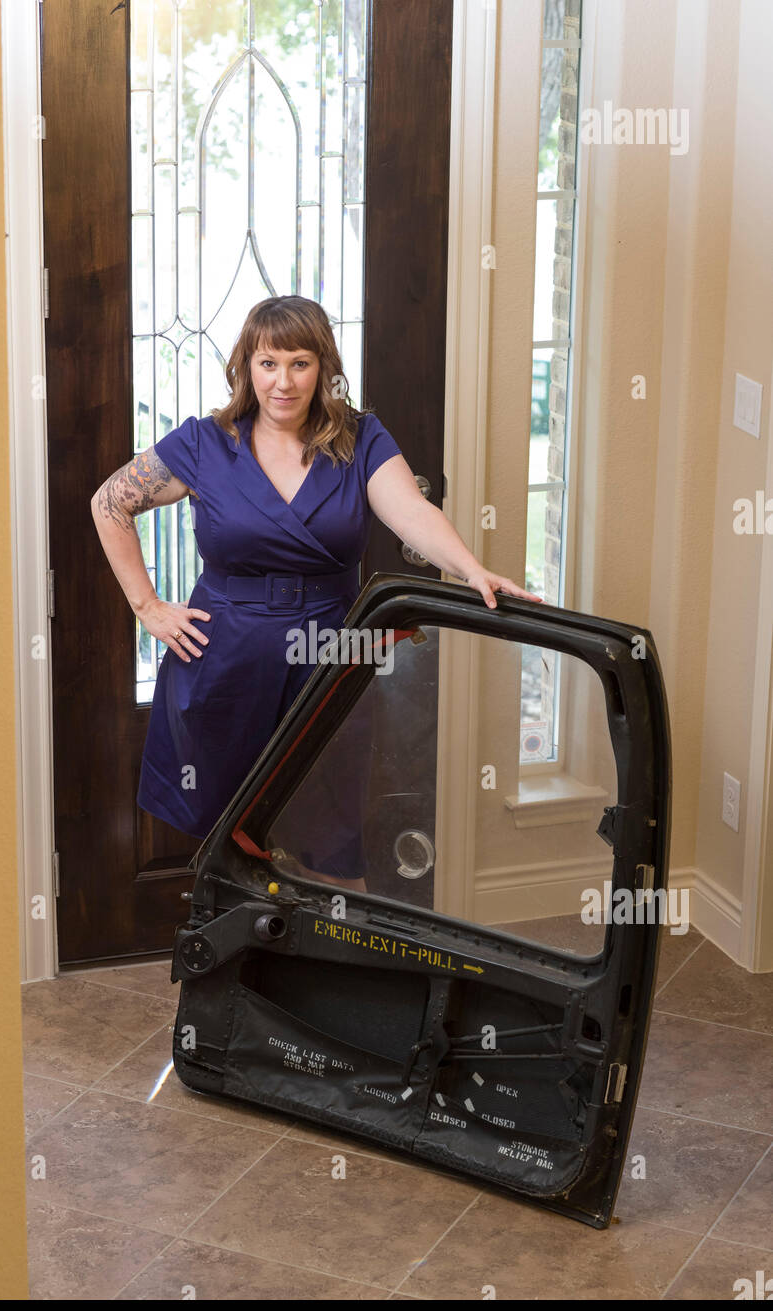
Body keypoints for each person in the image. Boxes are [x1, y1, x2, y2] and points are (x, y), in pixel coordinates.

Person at [90, 295, 541, 888]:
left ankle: (323, 968)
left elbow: (409, 510)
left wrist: (470, 569)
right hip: (223, 656)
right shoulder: (204, 442)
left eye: (299, 363)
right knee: (230, 836)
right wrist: (147, 607)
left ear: (323, 368)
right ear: (246, 367)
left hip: (327, 655)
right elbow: (110, 501)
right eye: (268, 362)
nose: (283, 381)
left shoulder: (361, 438)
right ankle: (239, 965)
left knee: (331, 836)